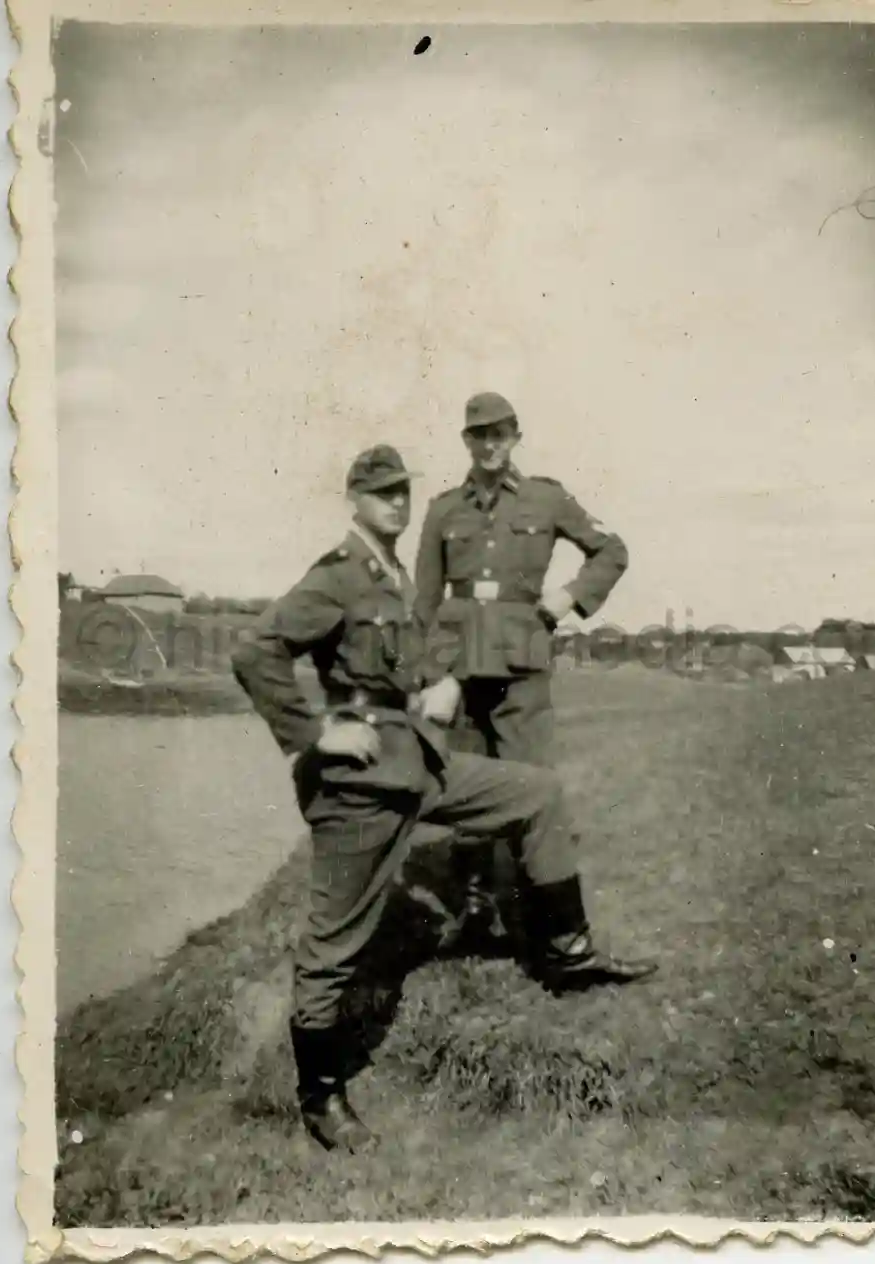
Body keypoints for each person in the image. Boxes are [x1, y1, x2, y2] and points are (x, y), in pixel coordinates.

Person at [230, 444, 650, 1154]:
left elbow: (394, 666)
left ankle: (568, 952)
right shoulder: (335, 576)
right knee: (333, 946)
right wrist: (312, 736)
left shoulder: (389, 574)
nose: (395, 503)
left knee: (536, 791)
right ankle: (320, 1100)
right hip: (358, 788)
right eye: (379, 493)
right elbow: (255, 652)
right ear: (354, 500)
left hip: (414, 761)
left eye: (401, 492)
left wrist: (434, 684)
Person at [414, 392, 628, 922]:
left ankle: (543, 916)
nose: (490, 444)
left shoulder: (545, 498)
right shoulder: (443, 509)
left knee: (532, 782)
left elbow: (612, 550)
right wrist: (427, 676)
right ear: (465, 440)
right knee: (467, 782)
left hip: (520, 664)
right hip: (459, 666)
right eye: (479, 434)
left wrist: (566, 599)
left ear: (516, 437)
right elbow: (424, 600)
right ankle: (475, 911)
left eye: (500, 433)